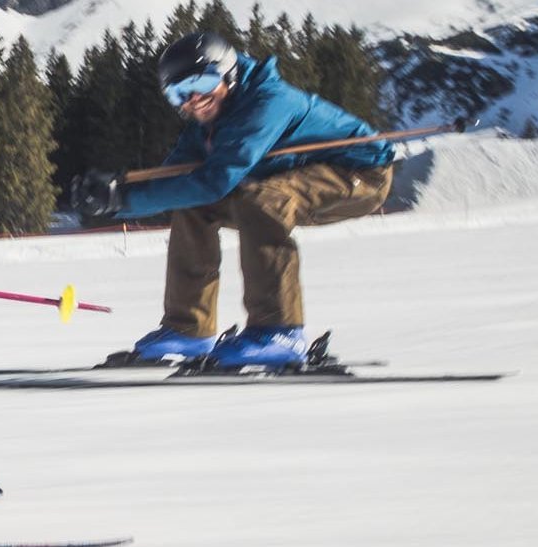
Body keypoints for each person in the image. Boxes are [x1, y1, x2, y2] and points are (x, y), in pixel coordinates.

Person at [70, 32, 396, 368]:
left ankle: (279, 331)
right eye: (179, 93)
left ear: (229, 73)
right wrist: (115, 194)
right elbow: (176, 180)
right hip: (297, 177)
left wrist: (122, 201)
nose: (194, 99)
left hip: (360, 174)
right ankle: (189, 329)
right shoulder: (208, 120)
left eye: (203, 81)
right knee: (193, 204)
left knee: (262, 200)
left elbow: (215, 182)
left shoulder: (267, 101)